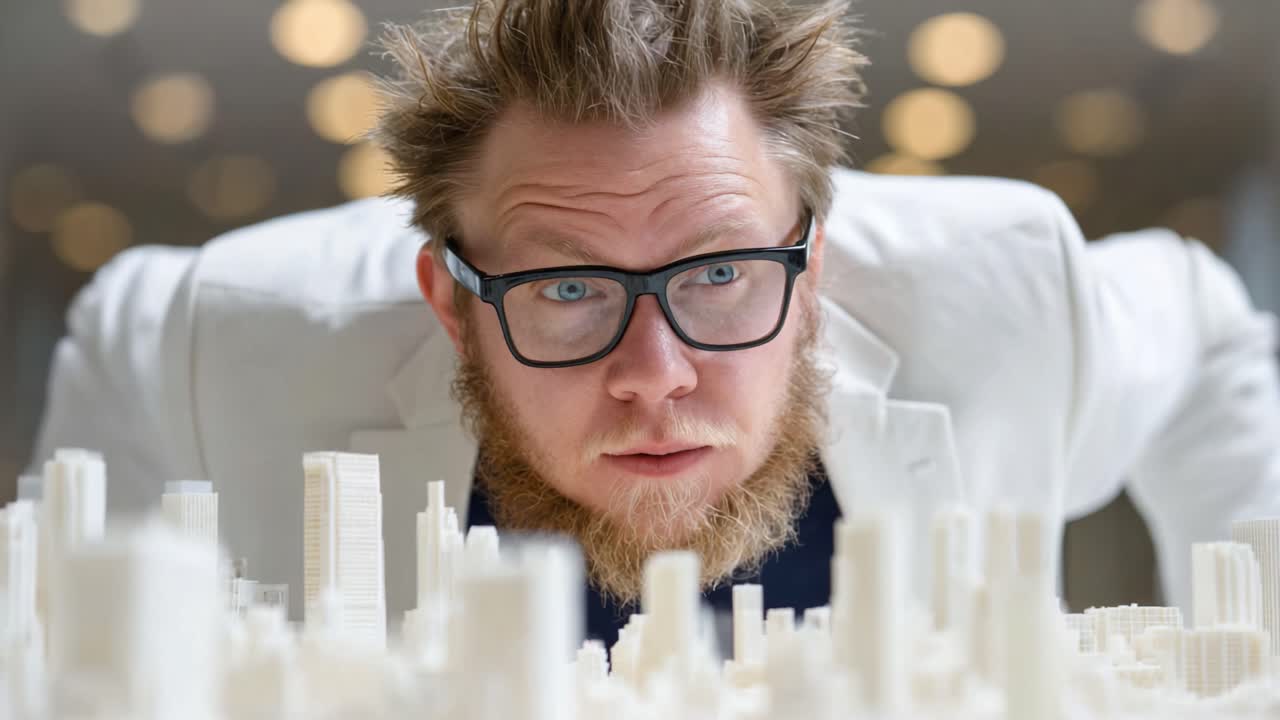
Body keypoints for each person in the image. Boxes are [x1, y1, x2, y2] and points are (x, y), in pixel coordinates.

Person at [29, 0, 1280, 643]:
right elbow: (109, 344)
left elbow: (1209, 328)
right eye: (566, 288)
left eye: (721, 273)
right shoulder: (225, 338)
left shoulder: (1019, 306)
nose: (655, 375)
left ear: (812, 269)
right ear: (450, 311)